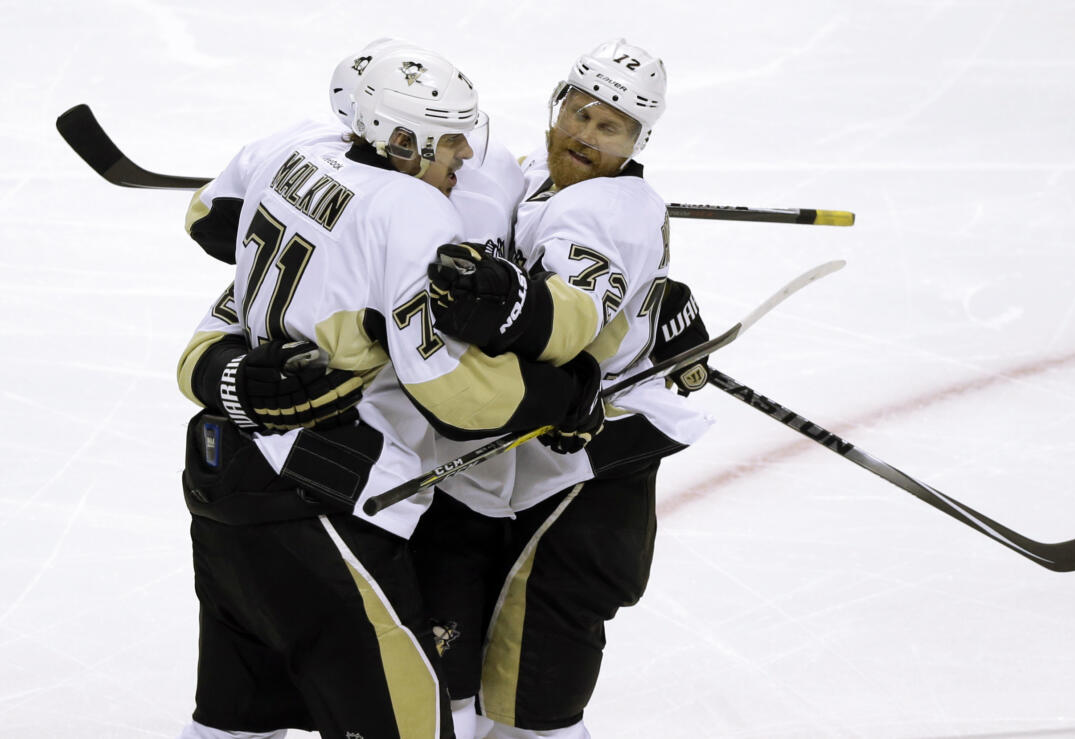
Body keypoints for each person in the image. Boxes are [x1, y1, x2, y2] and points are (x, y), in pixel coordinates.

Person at [173, 42, 602, 739]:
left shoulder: (291, 147)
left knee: (235, 720)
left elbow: (209, 220)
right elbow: (460, 400)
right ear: (400, 141)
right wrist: (562, 389)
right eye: (448, 138)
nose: (465, 153)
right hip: (327, 508)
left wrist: (325, 243)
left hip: (224, 486)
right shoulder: (410, 210)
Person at [416, 39, 714, 739]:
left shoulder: (601, 212)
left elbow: (566, 317)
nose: (584, 135)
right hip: (558, 471)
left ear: (638, 139)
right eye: (579, 114)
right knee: (491, 694)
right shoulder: (550, 183)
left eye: (609, 127)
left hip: (586, 481)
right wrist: (659, 299)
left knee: (532, 712)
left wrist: (508, 303)